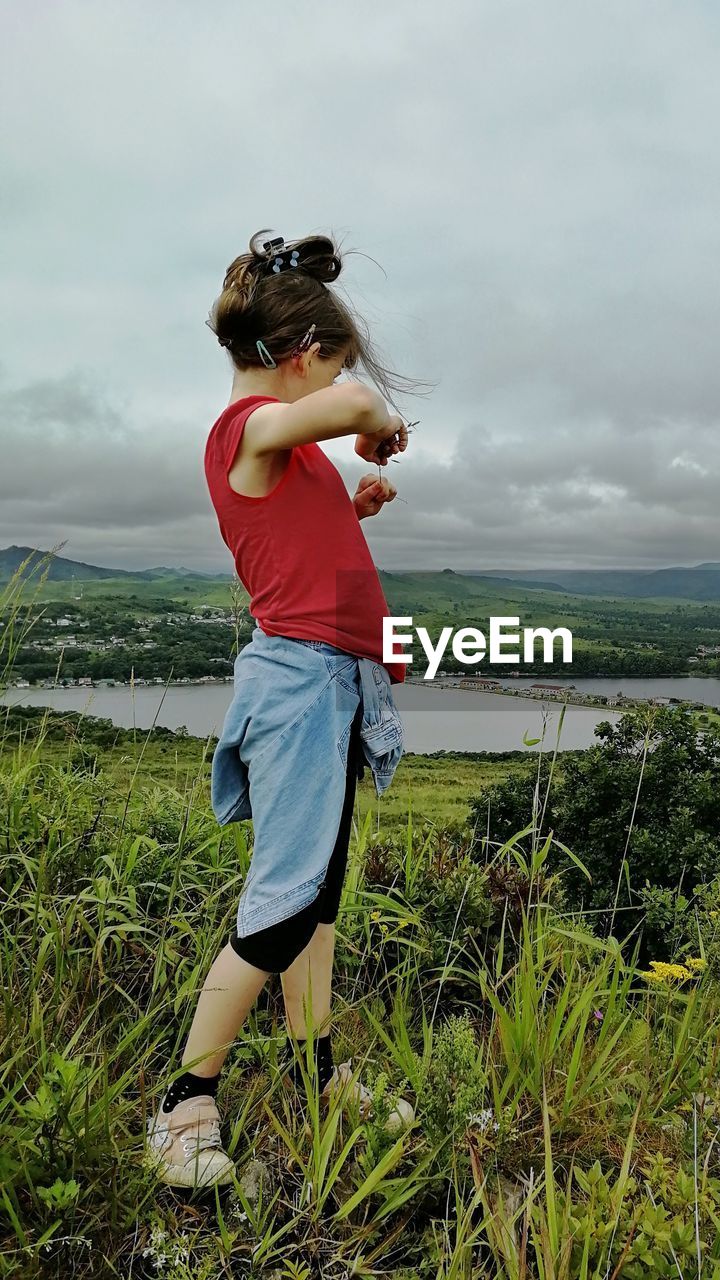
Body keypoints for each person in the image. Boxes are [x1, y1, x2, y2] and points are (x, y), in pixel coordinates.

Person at [146, 228, 420, 1188]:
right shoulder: (242, 432)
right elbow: (349, 404)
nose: (334, 386)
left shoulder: (287, 455)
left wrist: (360, 500)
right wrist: (362, 416)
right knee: (278, 910)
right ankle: (184, 1104)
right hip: (301, 685)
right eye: (329, 367)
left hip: (334, 684)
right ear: (299, 357)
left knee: (319, 904)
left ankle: (319, 1072)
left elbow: (301, 541)